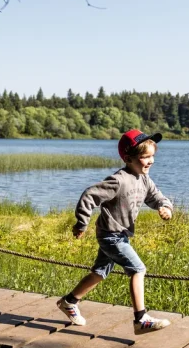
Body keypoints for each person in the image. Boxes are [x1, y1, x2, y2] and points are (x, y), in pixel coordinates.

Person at [56, 129, 175, 334]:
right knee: (138, 270)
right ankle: (140, 319)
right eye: (145, 157)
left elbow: (156, 197)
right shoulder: (118, 180)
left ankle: (69, 302)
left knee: (100, 273)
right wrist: (81, 223)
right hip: (110, 235)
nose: (151, 161)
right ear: (128, 158)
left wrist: (165, 208)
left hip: (121, 235)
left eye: (152, 156)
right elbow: (89, 196)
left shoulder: (144, 179)